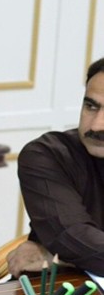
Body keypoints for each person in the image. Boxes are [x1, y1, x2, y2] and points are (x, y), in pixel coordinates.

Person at [8, 56, 104, 277]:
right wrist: (73, 255)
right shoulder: (48, 155)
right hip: (63, 292)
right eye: (91, 106)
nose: (96, 125)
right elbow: (73, 238)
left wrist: (62, 258)